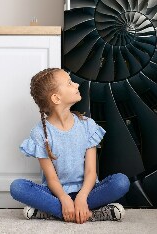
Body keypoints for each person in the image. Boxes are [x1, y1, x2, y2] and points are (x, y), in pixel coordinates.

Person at [10, 68, 130, 224]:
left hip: (88, 191)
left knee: (121, 182)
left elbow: (91, 171)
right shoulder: (40, 133)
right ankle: (91, 214)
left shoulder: (87, 125)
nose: (76, 84)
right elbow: (52, 178)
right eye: (69, 83)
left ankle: (55, 212)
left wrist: (82, 197)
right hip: (56, 193)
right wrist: (64, 198)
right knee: (17, 187)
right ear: (56, 98)